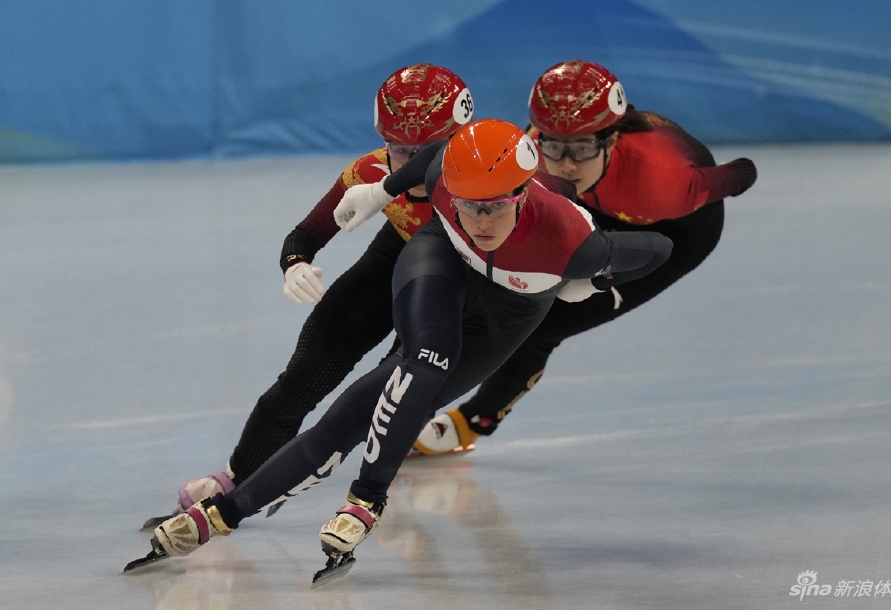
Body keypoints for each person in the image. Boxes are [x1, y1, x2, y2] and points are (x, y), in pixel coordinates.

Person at [142, 119, 672, 568]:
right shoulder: (446, 177)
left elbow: (659, 248)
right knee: (417, 367)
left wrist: (597, 279)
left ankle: (356, 499)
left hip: (512, 307)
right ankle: (255, 513)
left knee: (379, 396)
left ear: (523, 193)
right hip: (442, 258)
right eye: (469, 205)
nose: (482, 221)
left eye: (495, 207)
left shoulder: (573, 244)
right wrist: (382, 192)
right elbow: (436, 157)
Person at [151, 64, 476, 523]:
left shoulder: (490, 179)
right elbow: (306, 233)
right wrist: (294, 264)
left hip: (466, 284)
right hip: (399, 258)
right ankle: (238, 474)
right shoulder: (370, 171)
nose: (412, 165)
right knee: (305, 375)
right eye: (401, 150)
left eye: (429, 153)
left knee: (381, 395)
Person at [411, 60, 758, 456]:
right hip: (596, 202)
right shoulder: (533, 154)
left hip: (672, 229)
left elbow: (742, 174)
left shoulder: (665, 182)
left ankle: (475, 420)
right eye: (554, 145)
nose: (567, 163)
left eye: (580, 147)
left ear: (610, 140)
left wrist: (594, 280)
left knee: (544, 321)